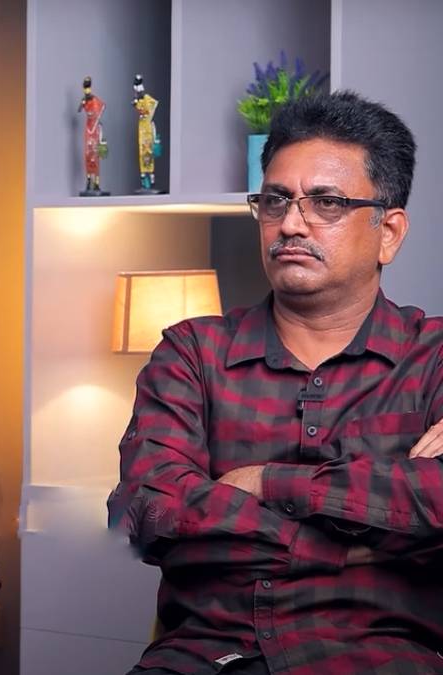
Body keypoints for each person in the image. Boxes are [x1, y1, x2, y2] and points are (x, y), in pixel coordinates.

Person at [109, 90, 443, 674]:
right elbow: (147, 510)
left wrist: (265, 481)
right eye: (275, 201)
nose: (289, 224)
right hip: (202, 656)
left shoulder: (432, 357)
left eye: (327, 203)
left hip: (378, 658)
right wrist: (345, 547)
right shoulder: (193, 353)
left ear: (389, 232)